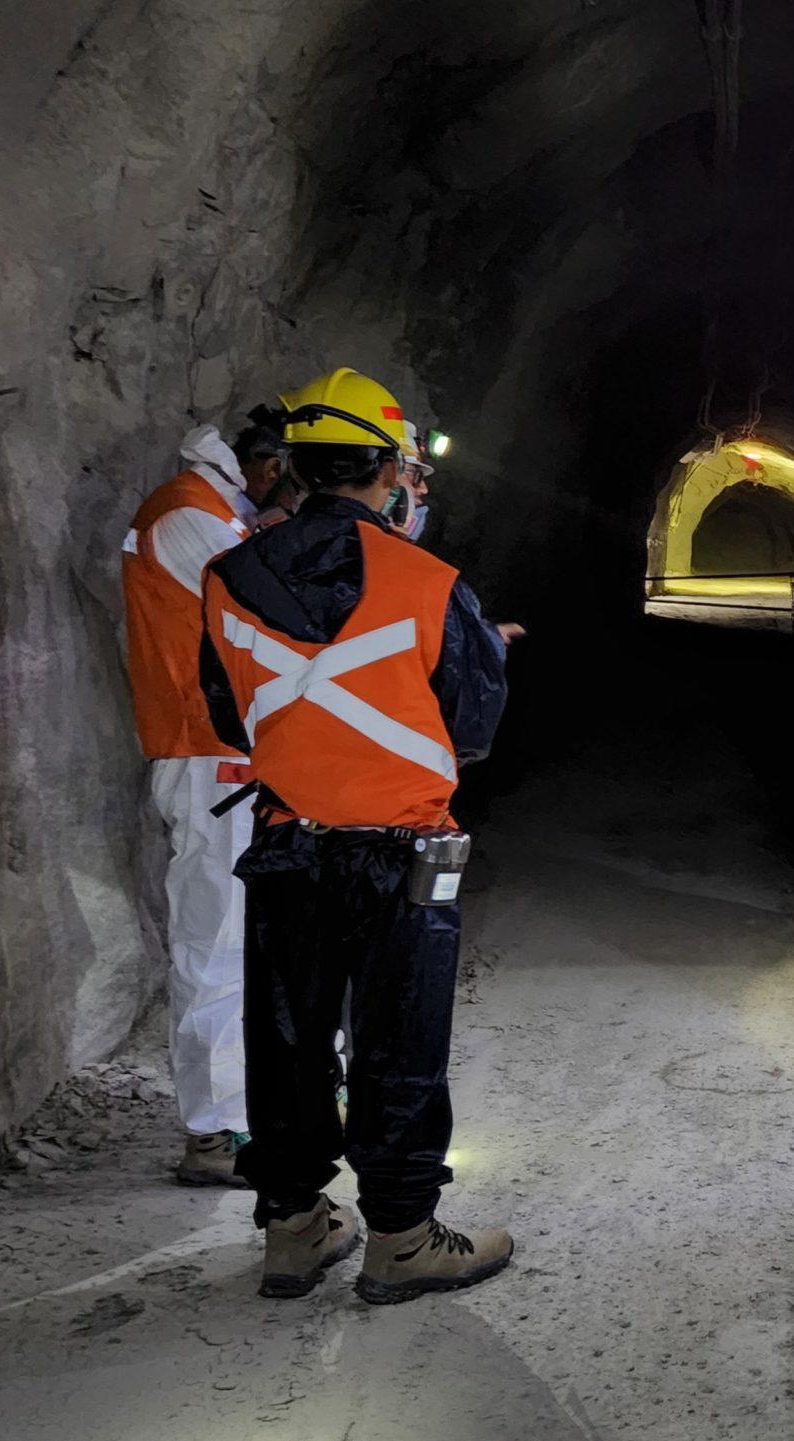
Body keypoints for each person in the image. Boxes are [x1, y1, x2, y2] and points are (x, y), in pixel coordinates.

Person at [199, 367, 515, 1304]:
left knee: (286, 1036)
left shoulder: (229, 576)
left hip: (288, 842)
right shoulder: (429, 580)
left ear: (295, 467)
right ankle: (403, 1238)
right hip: (403, 851)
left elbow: (229, 718)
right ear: (388, 472)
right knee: (400, 1039)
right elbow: (473, 729)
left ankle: (294, 1229)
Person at [121, 418, 300, 1187]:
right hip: (203, 754)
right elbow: (271, 605)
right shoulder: (186, 511)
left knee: (240, 938)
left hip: (226, 754)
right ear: (265, 471)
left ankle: (244, 1108)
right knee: (212, 935)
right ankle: (213, 1130)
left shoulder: (210, 508)